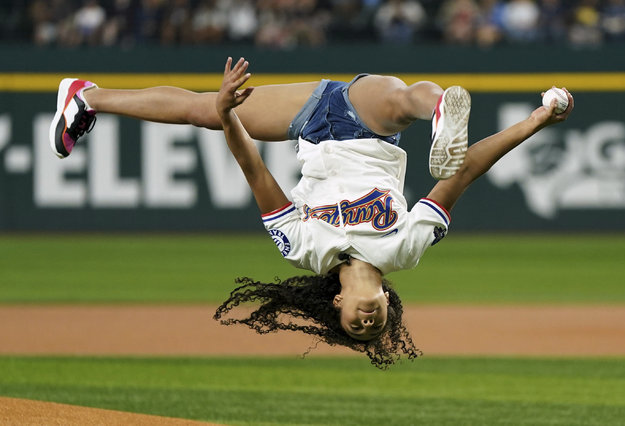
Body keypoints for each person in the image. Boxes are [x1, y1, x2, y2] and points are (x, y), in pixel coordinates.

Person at [50, 58, 574, 368]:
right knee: (406, 98)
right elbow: (459, 175)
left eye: (355, 327)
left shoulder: (304, 249)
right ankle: (440, 115)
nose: (366, 323)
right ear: (387, 304)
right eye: (376, 325)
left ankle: (85, 96)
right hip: (368, 126)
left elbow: (255, 171)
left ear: (339, 303)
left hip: (312, 125)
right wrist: (535, 121)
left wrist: (229, 114)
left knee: (202, 110)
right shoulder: (405, 249)